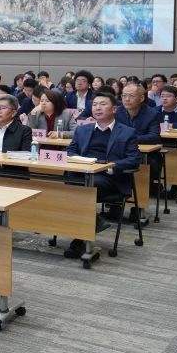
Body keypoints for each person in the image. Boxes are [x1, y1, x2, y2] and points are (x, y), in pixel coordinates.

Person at [63, 92, 141, 258]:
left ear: (114, 109)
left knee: (85, 188)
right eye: (94, 105)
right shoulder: (83, 129)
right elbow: (70, 151)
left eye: (103, 104)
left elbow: (134, 160)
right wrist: (80, 160)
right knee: (66, 186)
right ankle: (94, 223)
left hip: (110, 178)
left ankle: (79, 240)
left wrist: (110, 166)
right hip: (83, 172)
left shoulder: (127, 132)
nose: (97, 108)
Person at [115, 81, 163, 145]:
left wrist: (130, 139)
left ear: (141, 98)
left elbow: (154, 137)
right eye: (124, 96)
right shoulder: (116, 112)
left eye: (131, 96)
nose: (127, 99)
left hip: (143, 149)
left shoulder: (152, 114)